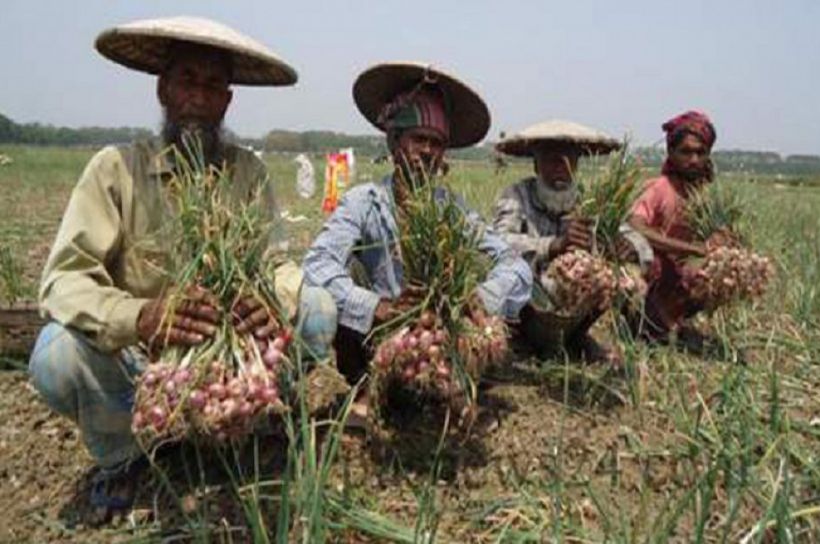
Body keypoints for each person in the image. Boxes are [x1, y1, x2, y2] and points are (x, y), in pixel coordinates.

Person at [27, 16, 337, 520]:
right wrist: (143, 316)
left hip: (231, 357)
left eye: (213, 85)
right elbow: (64, 279)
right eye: (187, 80)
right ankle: (123, 455)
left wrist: (270, 300)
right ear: (163, 89)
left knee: (318, 307)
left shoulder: (248, 172)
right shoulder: (115, 169)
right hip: (144, 365)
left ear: (227, 100)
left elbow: (278, 261)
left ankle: (243, 419)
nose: (199, 95)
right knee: (54, 355)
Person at [303, 62, 532, 384]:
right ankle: (364, 383)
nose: (427, 151)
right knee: (343, 275)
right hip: (377, 335)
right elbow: (317, 264)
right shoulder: (363, 202)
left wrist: (481, 298)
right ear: (394, 143)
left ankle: (450, 386)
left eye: (436, 143)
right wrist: (378, 307)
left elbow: (515, 265)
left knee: (477, 272)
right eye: (418, 139)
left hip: (436, 336)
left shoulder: (454, 211)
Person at [493, 120, 652, 362]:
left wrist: (629, 247)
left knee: (622, 281)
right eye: (551, 159)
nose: (561, 168)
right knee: (517, 279)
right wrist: (553, 245)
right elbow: (498, 241)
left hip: (577, 293)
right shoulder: (517, 195)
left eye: (568, 160)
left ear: (576, 165)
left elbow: (634, 237)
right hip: (532, 295)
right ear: (536, 164)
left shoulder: (590, 200)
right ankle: (528, 339)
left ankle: (575, 336)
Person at [628, 111, 717, 341]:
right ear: (671, 153)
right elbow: (636, 226)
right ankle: (648, 321)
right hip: (654, 271)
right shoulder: (659, 188)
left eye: (700, 152)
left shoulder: (705, 195)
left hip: (681, 275)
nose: (694, 159)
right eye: (686, 152)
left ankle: (675, 319)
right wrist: (689, 249)